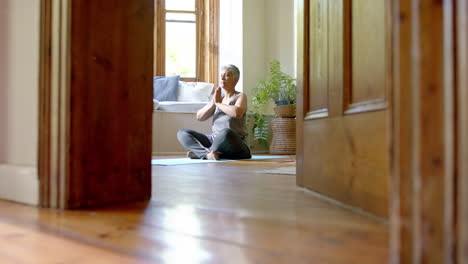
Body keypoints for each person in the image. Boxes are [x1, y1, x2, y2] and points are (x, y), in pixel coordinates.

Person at [177, 64, 252, 160]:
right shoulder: (217, 99)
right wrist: (214, 102)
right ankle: (207, 154)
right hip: (214, 140)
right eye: (221, 76)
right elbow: (199, 117)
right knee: (182, 133)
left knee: (226, 132)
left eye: (227, 75)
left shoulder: (240, 96)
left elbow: (237, 113)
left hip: (236, 143)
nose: (222, 78)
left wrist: (219, 103)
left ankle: (202, 153)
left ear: (236, 79)